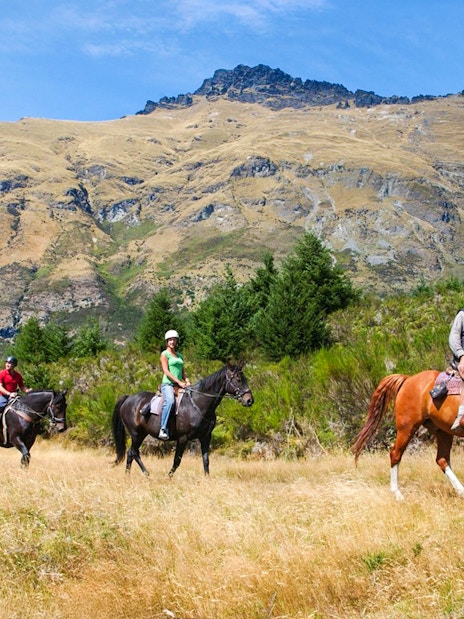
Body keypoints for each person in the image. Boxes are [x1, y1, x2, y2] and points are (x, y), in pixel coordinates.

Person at [159, 330, 190, 440]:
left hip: (179, 384)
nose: (172, 342)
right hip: (168, 384)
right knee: (170, 401)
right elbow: (166, 371)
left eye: (174, 340)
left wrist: (187, 380)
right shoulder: (164, 354)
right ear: (167, 341)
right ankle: (163, 428)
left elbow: (182, 371)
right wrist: (179, 382)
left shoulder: (179, 355)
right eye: (170, 340)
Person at [450, 309, 464, 429]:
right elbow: (454, 338)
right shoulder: (462, 315)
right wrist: (461, 355)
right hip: (462, 358)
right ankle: (461, 415)